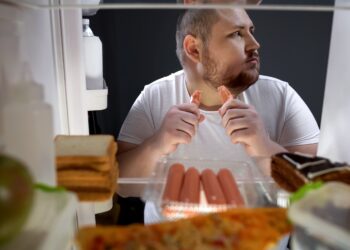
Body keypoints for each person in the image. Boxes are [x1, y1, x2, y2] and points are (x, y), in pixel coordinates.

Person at [117, 9, 319, 223]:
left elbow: (317, 193)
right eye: (237, 34)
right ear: (194, 49)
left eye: (251, 31)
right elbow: (122, 186)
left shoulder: (282, 96)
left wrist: (264, 146)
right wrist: (157, 144)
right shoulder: (155, 96)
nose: (254, 44)